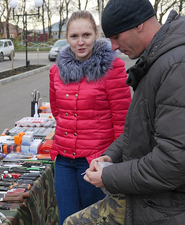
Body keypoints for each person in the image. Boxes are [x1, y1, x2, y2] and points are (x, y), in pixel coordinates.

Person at [64, 0, 185, 224]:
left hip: (167, 206)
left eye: (116, 37)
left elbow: (173, 163)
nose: (113, 47)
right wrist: (113, 154)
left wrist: (109, 176)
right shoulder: (158, 60)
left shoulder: (176, 65)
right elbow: (142, 128)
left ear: (138, 25)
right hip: (154, 198)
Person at [49, 10, 131, 224]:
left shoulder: (113, 68)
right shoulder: (56, 72)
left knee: (94, 219)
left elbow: (122, 122)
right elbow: (58, 112)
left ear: (96, 33)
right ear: (66, 38)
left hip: (96, 161)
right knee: (66, 219)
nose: (80, 42)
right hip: (64, 159)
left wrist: (114, 162)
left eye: (86, 35)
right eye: (74, 36)